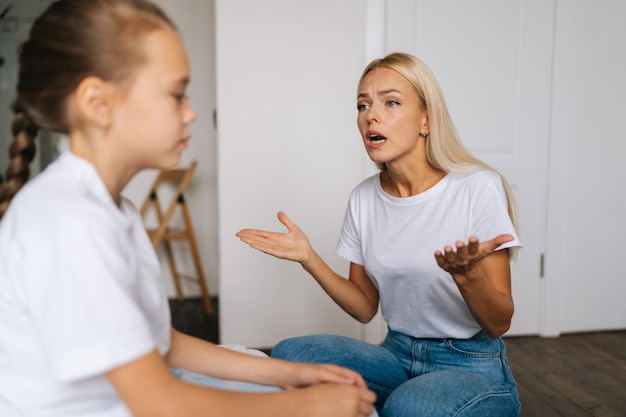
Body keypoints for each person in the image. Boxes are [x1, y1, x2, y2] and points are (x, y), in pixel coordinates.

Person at [0, 1, 377, 416]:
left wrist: (285, 375)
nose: (191, 112)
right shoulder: (68, 221)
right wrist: (306, 406)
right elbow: (157, 401)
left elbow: (163, 342)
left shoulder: (115, 210)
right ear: (98, 103)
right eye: (176, 95)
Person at [236, 52, 522, 417]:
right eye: (363, 104)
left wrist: (467, 278)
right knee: (294, 355)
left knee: (410, 406)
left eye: (391, 102)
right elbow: (364, 307)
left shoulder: (477, 187)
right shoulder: (364, 198)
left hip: (470, 365)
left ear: (425, 120)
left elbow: (500, 322)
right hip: (396, 356)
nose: (371, 114)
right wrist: (309, 258)